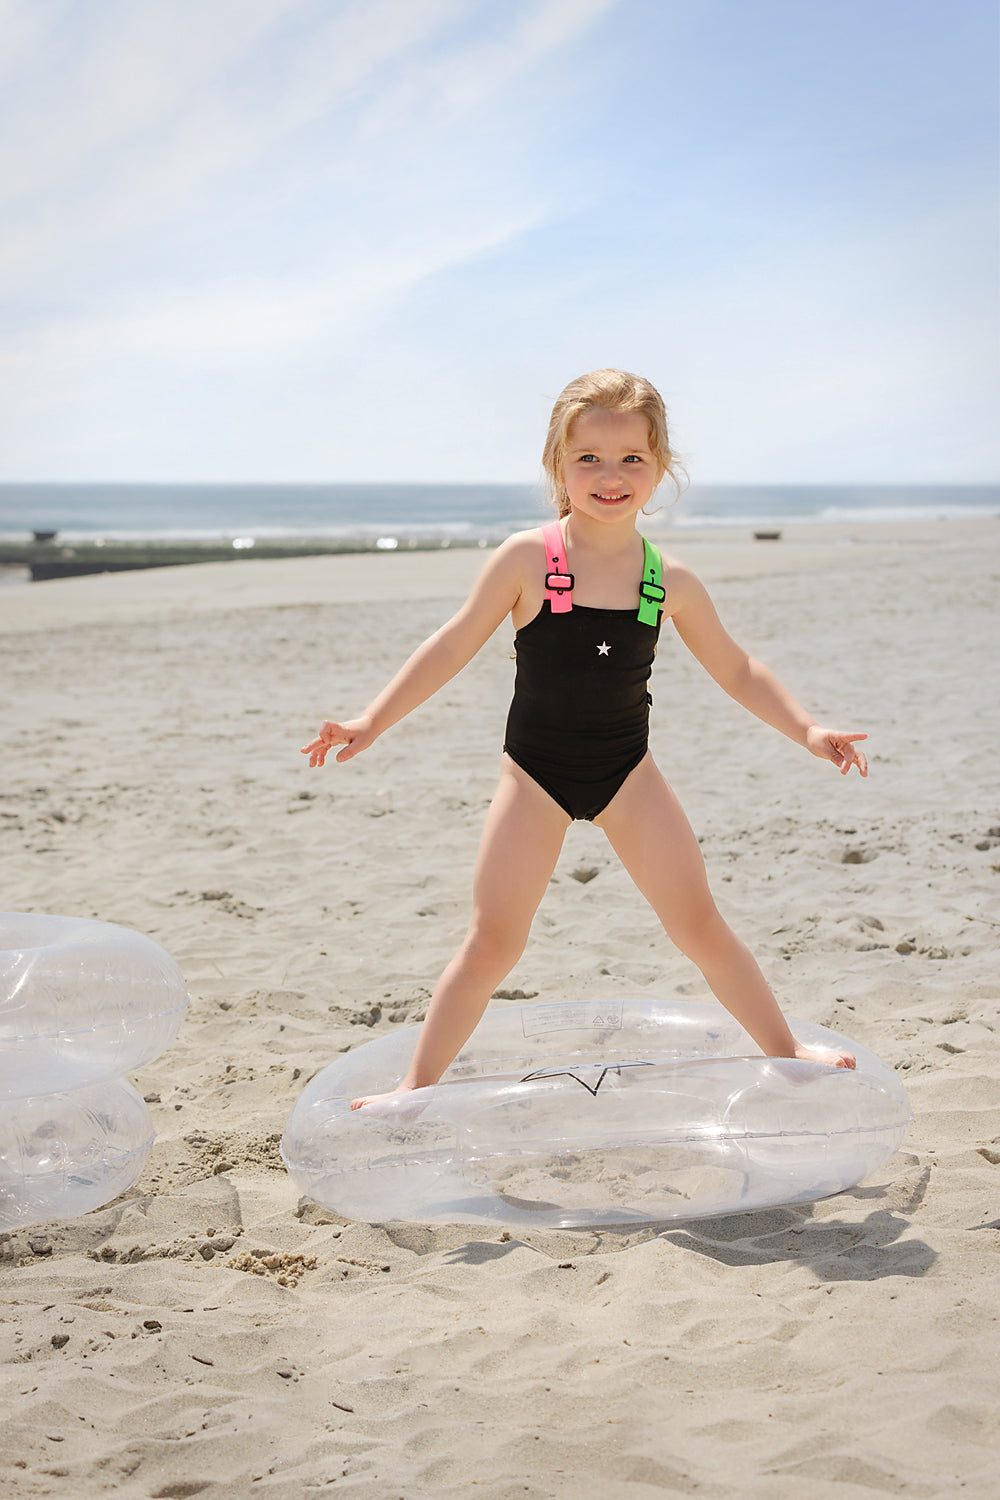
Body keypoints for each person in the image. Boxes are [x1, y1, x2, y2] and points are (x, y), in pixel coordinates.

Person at [302, 369, 868, 1108]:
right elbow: (451, 645)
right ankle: (415, 1087)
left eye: (633, 457)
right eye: (589, 458)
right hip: (533, 776)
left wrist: (807, 728)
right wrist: (372, 720)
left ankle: (787, 1049)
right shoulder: (526, 560)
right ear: (557, 467)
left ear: (660, 469)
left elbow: (736, 666)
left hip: (628, 774)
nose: (611, 475)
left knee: (699, 924)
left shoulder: (672, 580)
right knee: (492, 944)